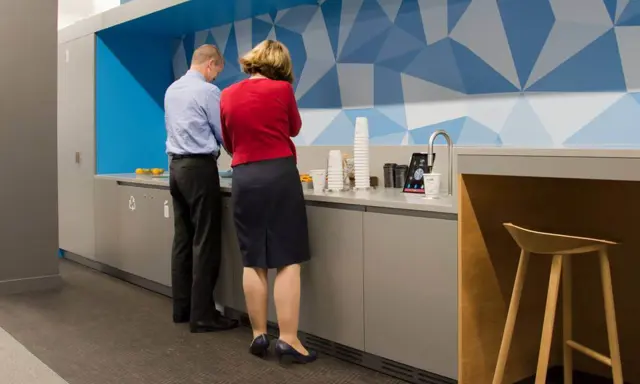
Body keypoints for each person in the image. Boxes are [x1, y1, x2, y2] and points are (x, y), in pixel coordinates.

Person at [220, 40, 316, 364]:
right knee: (287, 259)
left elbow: (229, 141)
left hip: (244, 177)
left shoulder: (227, 94)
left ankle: (258, 334)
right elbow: (295, 127)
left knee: (253, 259)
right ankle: (288, 340)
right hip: (279, 174)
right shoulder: (281, 90)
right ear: (280, 64)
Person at [164, 44, 238, 333]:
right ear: (210, 64)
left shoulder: (172, 90)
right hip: (199, 169)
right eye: (216, 72)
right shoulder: (208, 92)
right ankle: (204, 315)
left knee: (182, 240)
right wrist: (238, 153)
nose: (214, 78)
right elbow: (222, 132)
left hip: (175, 168)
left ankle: (181, 309)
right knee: (205, 242)